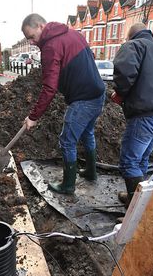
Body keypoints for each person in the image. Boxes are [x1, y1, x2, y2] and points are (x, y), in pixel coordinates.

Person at [20, 13, 106, 194]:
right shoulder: (73, 34)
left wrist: (33, 117)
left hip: (83, 99)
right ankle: (91, 172)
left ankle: (68, 185)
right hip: (98, 93)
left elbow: (49, 87)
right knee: (87, 133)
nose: (32, 42)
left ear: (41, 26)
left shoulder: (50, 46)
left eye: (32, 37)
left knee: (67, 141)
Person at [111, 23, 153, 206]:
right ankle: (138, 197)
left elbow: (124, 74)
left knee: (129, 162)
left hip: (145, 114)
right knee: (142, 158)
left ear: (131, 35)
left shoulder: (133, 45)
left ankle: (135, 211)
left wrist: (120, 94)